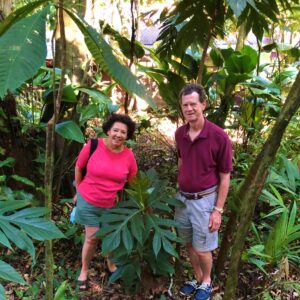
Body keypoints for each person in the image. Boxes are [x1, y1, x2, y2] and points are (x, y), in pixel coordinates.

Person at [174, 84, 232, 300]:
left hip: (205, 201)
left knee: (202, 248)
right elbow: (181, 160)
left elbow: (225, 176)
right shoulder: (180, 133)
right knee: (188, 242)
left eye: (193, 104)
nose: (189, 108)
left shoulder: (219, 137)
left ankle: (207, 281)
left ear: (203, 105)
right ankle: (197, 278)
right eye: (185, 105)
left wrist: (218, 210)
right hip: (183, 199)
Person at [74, 113, 138, 290]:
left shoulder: (128, 156)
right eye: (115, 130)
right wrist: (78, 191)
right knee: (92, 239)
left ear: (127, 135)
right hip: (89, 201)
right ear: (108, 131)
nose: (118, 134)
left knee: (111, 237)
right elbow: (79, 168)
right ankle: (84, 271)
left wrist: (139, 203)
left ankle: (110, 264)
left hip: (112, 205)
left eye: (123, 132)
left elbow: (134, 182)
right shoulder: (93, 145)